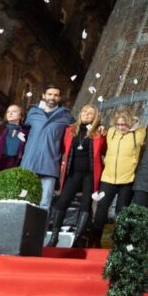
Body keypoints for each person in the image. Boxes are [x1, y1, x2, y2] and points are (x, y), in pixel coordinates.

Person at [0, 85, 75, 210]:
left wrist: (98, 127)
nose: (52, 97)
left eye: (56, 95)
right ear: (44, 96)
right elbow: (17, 124)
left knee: (44, 204)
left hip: (49, 165)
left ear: (59, 97)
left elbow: (81, 127)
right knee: (22, 201)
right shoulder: (32, 112)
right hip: (29, 163)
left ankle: (40, 230)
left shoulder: (66, 115)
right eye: (50, 94)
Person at [48, 104, 106, 247]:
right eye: (85, 111)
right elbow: (62, 148)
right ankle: (54, 237)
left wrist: (102, 129)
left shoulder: (99, 133)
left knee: (86, 205)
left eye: (91, 113)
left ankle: (77, 239)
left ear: (95, 117)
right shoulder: (70, 131)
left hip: (90, 174)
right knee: (62, 202)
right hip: (73, 173)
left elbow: (105, 151)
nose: (86, 114)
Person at [89, 108, 146, 248]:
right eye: (119, 124)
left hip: (127, 178)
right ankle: (95, 239)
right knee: (101, 208)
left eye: (124, 124)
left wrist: (134, 125)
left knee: (121, 211)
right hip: (108, 177)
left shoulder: (139, 133)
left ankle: (120, 242)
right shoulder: (111, 132)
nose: (121, 127)